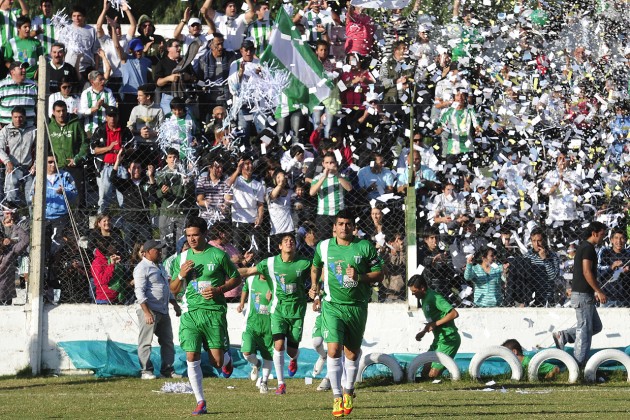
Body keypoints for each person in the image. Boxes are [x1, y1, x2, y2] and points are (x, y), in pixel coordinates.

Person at [310, 209, 384, 417]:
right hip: (332, 305)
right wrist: (314, 286)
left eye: (348, 224)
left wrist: (359, 276)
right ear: (334, 226)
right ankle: (336, 397)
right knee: (333, 350)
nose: (344, 227)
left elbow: (380, 274)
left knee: (351, 353)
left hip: (357, 306)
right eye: (340, 224)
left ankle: (348, 391)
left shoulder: (364, 246)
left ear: (354, 227)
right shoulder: (324, 246)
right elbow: (315, 266)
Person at [169, 216, 241, 416]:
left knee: (216, 361)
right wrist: (181, 275)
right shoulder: (181, 259)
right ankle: (200, 401)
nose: (191, 239)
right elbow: (173, 289)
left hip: (214, 313)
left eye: (195, 235)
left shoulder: (218, 255)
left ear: (204, 234)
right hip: (191, 313)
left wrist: (219, 289)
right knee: (191, 356)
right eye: (188, 235)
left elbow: (236, 278)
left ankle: (226, 360)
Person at [238, 233, 311, 395]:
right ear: (279, 246)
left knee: (291, 351)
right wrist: (229, 271)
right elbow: (249, 270)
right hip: (277, 310)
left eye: (292, 241)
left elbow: (317, 273)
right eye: (285, 241)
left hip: (297, 311)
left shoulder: (304, 263)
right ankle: (281, 383)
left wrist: (316, 291)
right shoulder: (270, 263)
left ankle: (294, 359)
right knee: (278, 345)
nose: (289, 243)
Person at [553, 222, 608, 368]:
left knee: (595, 326)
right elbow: (586, 271)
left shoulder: (585, 247)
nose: (603, 237)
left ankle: (563, 336)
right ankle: (577, 366)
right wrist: (599, 290)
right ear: (595, 233)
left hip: (584, 294)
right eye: (602, 234)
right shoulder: (588, 248)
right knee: (584, 331)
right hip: (583, 295)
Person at [134, 239, 182, 380]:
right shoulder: (142, 268)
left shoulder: (160, 267)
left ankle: (167, 370)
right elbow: (140, 292)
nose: (160, 252)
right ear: (148, 252)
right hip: (150, 311)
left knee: (167, 341)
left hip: (163, 310)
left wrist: (175, 304)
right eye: (157, 250)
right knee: (146, 341)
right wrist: (147, 312)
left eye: (160, 250)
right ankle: (146, 371)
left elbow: (166, 287)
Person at [408, 274, 460, 378]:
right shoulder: (424, 299)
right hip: (438, 340)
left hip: (449, 340)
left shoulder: (435, 297)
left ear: (422, 288)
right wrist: (423, 332)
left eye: (414, 291)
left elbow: (454, 313)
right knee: (424, 372)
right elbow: (433, 320)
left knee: (432, 375)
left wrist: (435, 324)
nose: (413, 294)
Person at [90, 106, 133, 214]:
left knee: (124, 199)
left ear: (118, 117)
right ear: (106, 117)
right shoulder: (100, 130)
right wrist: (108, 148)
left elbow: (134, 146)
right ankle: (102, 224)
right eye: (110, 116)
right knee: (103, 199)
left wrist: (124, 150)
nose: (112, 119)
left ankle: (125, 226)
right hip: (105, 166)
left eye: (114, 116)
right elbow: (92, 150)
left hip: (121, 166)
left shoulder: (124, 130)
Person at [236, 273, 274, 393]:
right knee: (246, 352)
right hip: (251, 323)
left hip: (269, 324)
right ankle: (256, 363)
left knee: (268, 354)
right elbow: (245, 289)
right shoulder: (251, 279)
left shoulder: (274, 281)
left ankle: (264, 382)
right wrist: (242, 302)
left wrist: (273, 298)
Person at [48, 100, 88, 208]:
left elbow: (85, 143)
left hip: (74, 166)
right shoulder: (49, 126)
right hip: (56, 168)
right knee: (57, 197)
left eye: (64, 110)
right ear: (53, 112)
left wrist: (77, 158)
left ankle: (80, 222)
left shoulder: (76, 123)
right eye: (58, 111)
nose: (61, 114)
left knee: (78, 197)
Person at [156, 148, 194, 257]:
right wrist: (162, 192)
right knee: (166, 244)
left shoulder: (185, 174)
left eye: (175, 157)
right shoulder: (161, 174)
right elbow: (156, 195)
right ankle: (165, 269)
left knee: (182, 243)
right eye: (170, 157)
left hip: (181, 213)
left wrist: (189, 183)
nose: (173, 160)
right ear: (166, 160)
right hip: (166, 212)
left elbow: (191, 194)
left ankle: (180, 267)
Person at [225, 155, 265, 254]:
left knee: (256, 249)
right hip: (238, 220)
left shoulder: (258, 184)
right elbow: (228, 184)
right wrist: (237, 170)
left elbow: (260, 204)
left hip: (253, 221)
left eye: (250, 163)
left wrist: (260, 217)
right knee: (237, 249)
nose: (249, 166)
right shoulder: (237, 180)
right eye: (246, 164)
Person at [309, 152, 352, 240]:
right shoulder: (318, 178)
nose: (329, 165)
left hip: (339, 213)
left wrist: (337, 174)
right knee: (323, 241)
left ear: (335, 163)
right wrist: (324, 177)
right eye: (327, 163)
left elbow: (349, 188)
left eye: (331, 162)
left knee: (341, 240)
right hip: (323, 214)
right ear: (323, 164)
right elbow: (312, 192)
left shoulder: (342, 176)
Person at [0, 106, 36, 206]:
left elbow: (40, 149)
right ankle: (14, 219)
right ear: (11, 117)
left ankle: (33, 220)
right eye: (15, 117)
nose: (18, 119)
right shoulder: (5, 130)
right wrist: (7, 161)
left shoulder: (33, 130)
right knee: (11, 199)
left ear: (25, 117)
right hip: (12, 169)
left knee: (32, 199)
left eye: (20, 117)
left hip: (29, 169)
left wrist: (35, 165)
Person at [127, 83, 164, 166]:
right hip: (139, 145)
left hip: (153, 145)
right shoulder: (135, 110)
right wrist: (139, 132)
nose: (137, 98)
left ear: (148, 97)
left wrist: (153, 133)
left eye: (140, 96)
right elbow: (129, 128)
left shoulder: (159, 109)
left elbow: (163, 129)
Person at [525, 226, 561, 307]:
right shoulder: (527, 256)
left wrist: (545, 260)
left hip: (547, 297)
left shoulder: (553, 256)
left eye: (539, 241)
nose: (536, 244)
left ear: (544, 240)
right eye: (534, 241)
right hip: (531, 298)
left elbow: (554, 277)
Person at [0, 212, 28, 305]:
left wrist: (13, 226)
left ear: (3, 241)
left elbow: (26, 240)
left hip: (5, 296)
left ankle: (22, 286)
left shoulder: (10, 251)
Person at [3, 15, 44, 80]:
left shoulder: (37, 42)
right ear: (18, 28)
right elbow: (6, 61)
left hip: (34, 78)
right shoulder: (11, 43)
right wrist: (15, 71)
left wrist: (39, 72)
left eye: (29, 27)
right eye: (25, 27)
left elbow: (42, 59)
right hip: (18, 78)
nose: (28, 29)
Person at [597, 228, 630, 307]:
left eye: (622, 238)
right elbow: (598, 272)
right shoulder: (604, 252)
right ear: (611, 240)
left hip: (626, 298)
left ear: (625, 240)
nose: (619, 241)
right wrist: (612, 267)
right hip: (607, 297)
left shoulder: (628, 254)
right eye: (616, 238)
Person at [79, 70, 117, 136]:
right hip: (90, 130)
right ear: (92, 82)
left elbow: (114, 110)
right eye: (100, 80)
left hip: (106, 129)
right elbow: (83, 112)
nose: (103, 81)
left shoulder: (108, 92)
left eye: (103, 79)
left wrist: (104, 105)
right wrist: (95, 108)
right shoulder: (85, 93)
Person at [0, 61, 37, 127]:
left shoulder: (33, 85)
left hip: (28, 128)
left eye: (25, 68)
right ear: (12, 71)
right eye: (21, 68)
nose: (24, 70)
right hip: (6, 127)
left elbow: (38, 105)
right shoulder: (2, 85)